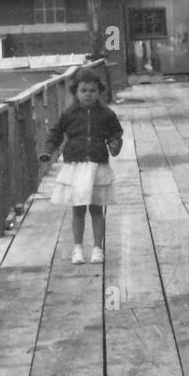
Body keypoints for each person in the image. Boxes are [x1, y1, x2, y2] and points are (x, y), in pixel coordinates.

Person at [39, 67, 123, 264]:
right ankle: (77, 248)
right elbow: (55, 133)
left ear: (99, 92)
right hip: (76, 165)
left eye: (92, 91)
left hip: (97, 165)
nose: (88, 94)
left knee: (96, 208)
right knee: (78, 208)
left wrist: (115, 144)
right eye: (83, 90)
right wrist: (48, 150)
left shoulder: (106, 114)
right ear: (76, 92)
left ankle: (97, 248)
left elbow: (116, 133)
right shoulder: (69, 113)